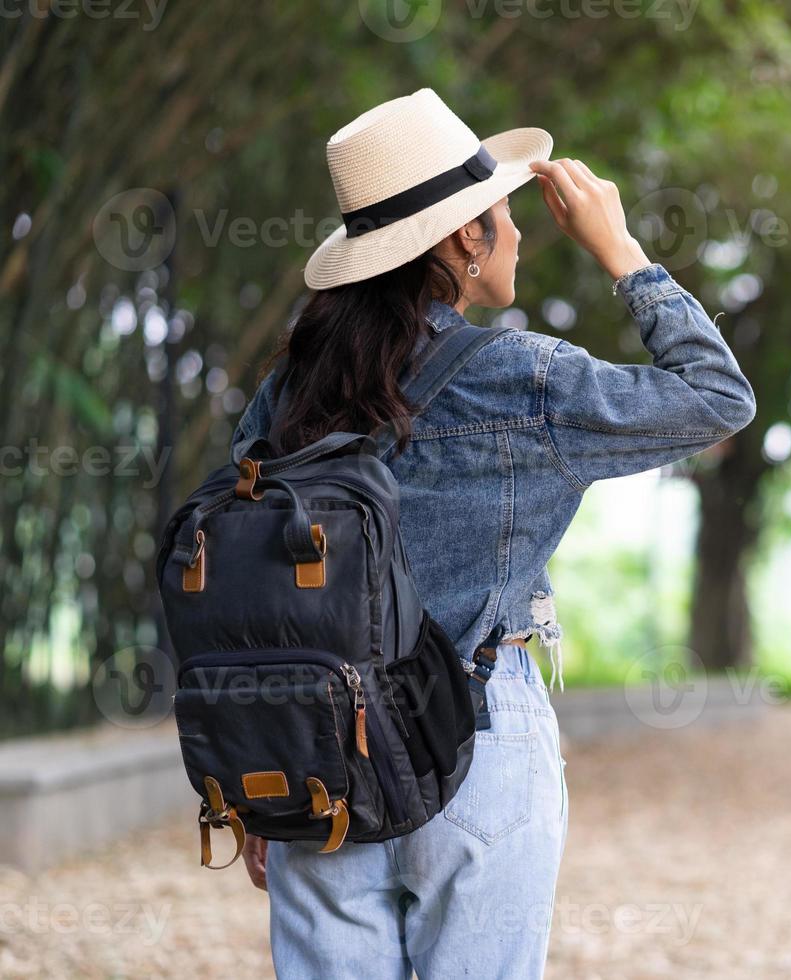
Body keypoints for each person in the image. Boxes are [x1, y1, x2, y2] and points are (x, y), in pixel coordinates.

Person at [227, 88, 755, 979]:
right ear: (462, 239)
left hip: (309, 749)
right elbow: (717, 397)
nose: (515, 235)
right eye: (502, 216)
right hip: (476, 734)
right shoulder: (523, 378)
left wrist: (255, 782)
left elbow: (247, 588)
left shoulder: (293, 390)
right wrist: (621, 252)